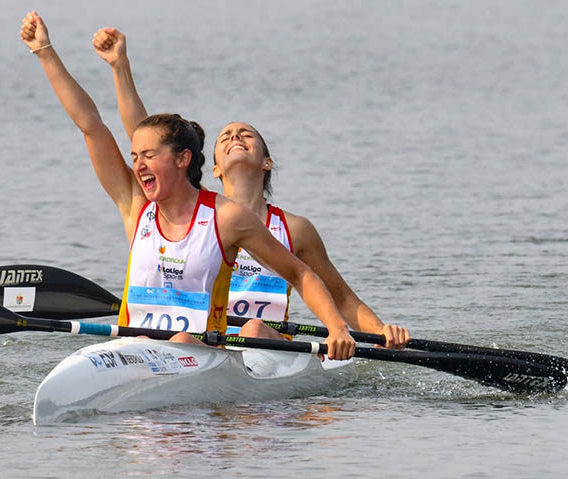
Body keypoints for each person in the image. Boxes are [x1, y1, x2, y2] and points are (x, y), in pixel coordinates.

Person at [20, 11, 357, 360]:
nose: (138, 164)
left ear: (182, 160)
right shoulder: (136, 207)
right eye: (135, 156)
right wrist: (44, 51)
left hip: (204, 358)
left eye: (148, 156)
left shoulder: (227, 217)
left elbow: (300, 274)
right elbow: (91, 125)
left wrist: (336, 328)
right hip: (136, 353)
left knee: (182, 341)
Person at [90, 27, 410, 348]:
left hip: (267, 345)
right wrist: (120, 68)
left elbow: (341, 297)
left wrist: (381, 332)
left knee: (254, 328)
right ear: (212, 167)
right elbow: (143, 134)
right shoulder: (202, 215)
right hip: (205, 344)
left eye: (246, 134)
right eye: (225, 136)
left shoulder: (295, 230)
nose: (235, 137)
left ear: (266, 162)